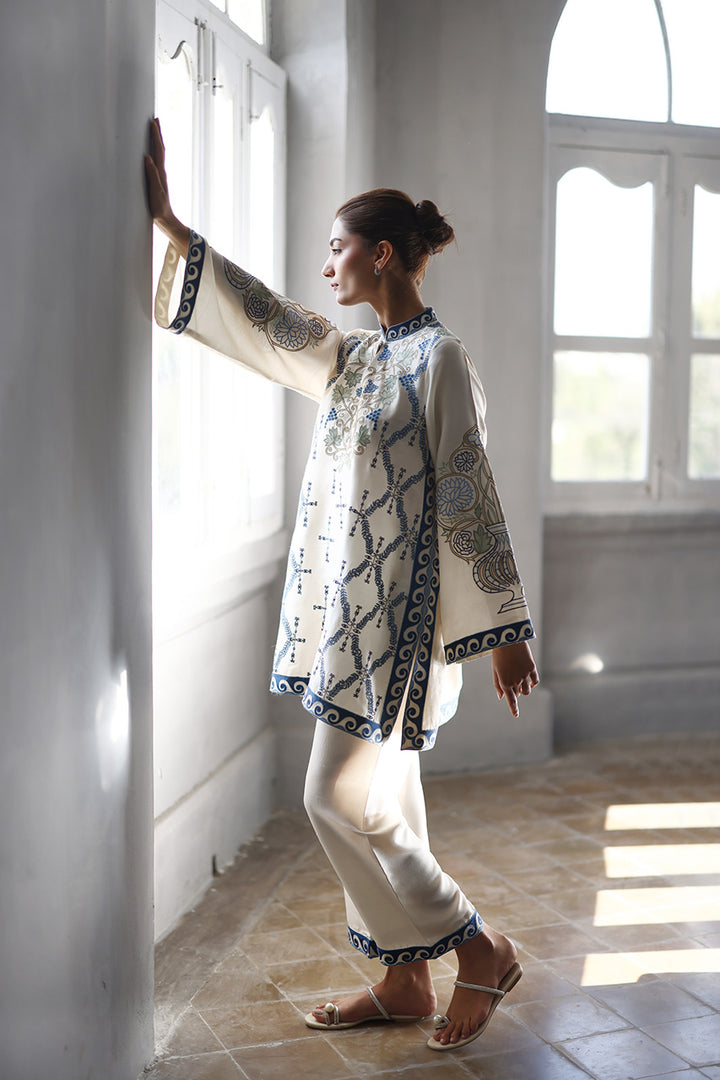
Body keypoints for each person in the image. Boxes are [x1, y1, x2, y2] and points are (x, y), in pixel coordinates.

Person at [145, 117, 539, 1050]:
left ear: (383, 254)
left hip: (401, 630)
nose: (327, 266)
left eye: (338, 249)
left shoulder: (440, 361)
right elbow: (265, 317)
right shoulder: (354, 358)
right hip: (345, 620)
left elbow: (467, 490)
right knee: (385, 802)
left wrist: (505, 630)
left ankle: (479, 947)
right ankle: (405, 980)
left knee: (337, 799)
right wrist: (172, 228)